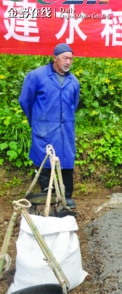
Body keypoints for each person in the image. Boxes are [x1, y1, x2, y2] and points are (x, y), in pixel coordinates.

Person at [19, 43, 80, 209]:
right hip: (44, 128)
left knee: (67, 161)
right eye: (65, 58)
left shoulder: (73, 81)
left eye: (71, 59)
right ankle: (47, 195)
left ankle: (67, 196)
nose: (68, 62)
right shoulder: (37, 76)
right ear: (55, 58)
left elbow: (73, 104)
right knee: (45, 162)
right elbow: (25, 101)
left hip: (65, 128)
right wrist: (37, 120)